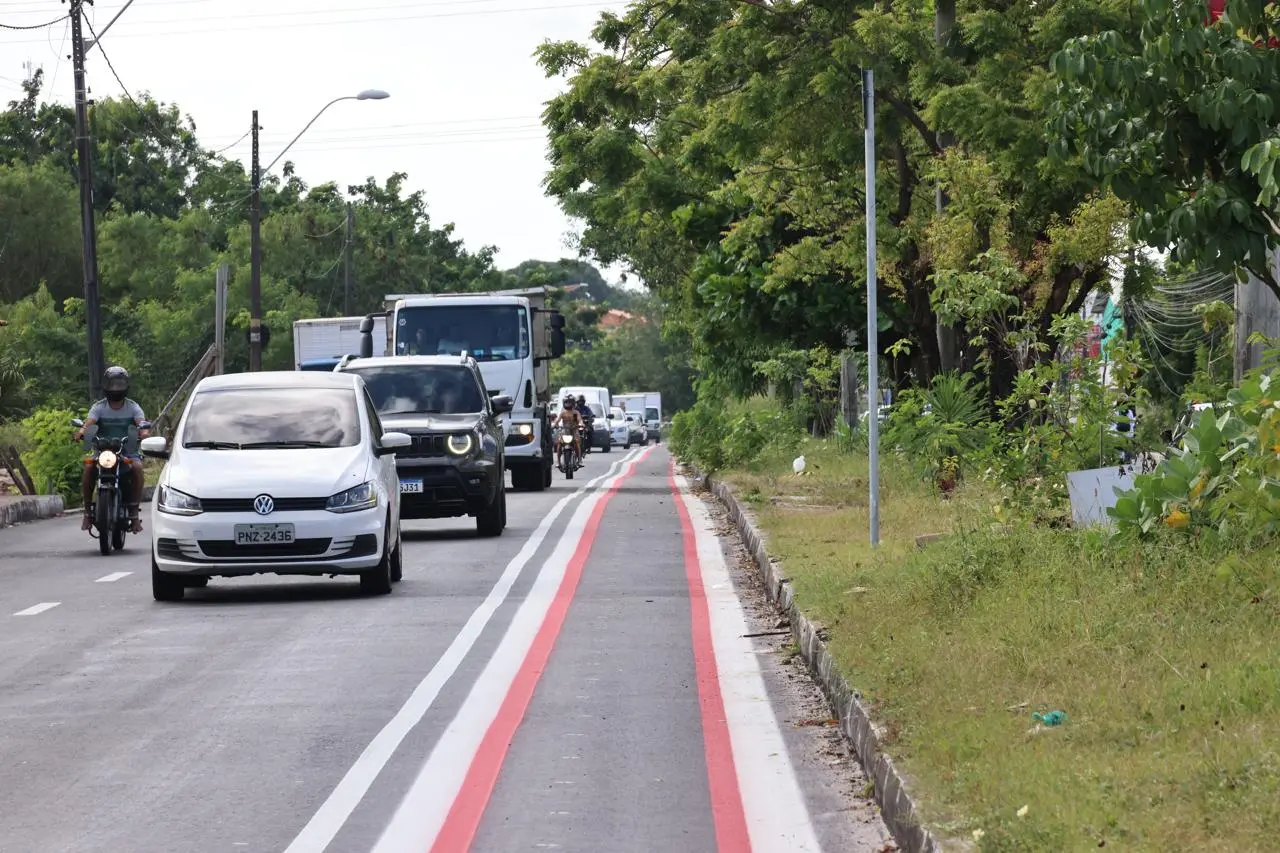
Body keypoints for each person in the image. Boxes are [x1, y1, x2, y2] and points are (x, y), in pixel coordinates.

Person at [74, 366, 150, 533]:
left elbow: (142, 423)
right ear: (106, 385)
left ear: (126, 385)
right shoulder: (99, 407)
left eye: (119, 384)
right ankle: (87, 512)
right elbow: (89, 423)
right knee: (88, 467)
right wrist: (81, 432)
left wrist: (144, 433)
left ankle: (134, 514)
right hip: (102, 452)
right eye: (113, 384)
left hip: (127, 452)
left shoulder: (133, 407)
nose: (116, 388)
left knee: (138, 468)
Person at [553, 395, 584, 467]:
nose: (568, 404)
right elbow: (557, 420)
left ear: (573, 403)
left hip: (574, 431)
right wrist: (554, 424)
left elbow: (580, 420)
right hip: (565, 431)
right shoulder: (563, 413)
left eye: (569, 402)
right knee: (559, 444)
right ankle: (558, 462)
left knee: (577, 443)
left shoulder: (576, 413)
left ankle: (579, 460)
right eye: (566, 402)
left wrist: (581, 424)